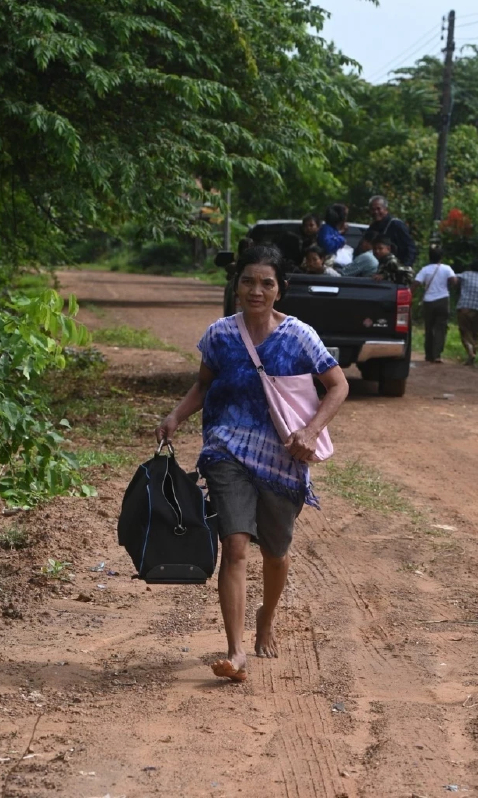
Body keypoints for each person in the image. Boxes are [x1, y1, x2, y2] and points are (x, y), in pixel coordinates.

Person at [156, 245, 349, 682]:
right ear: (236, 285)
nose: (256, 290)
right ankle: (235, 650)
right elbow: (203, 385)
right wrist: (175, 416)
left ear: (280, 289)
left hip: (283, 459)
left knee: (276, 554)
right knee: (236, 545)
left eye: (267, 283)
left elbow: (337, 387)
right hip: (225, 451)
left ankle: (267, 617)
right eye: (248, 281)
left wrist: (312, 430)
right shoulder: (220, 335)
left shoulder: (299, 336)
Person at [413, 246, 456, 363]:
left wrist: (410, 295)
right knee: (441, 328)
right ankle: (437, 355)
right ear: (441, 257)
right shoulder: (447, 269)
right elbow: (454, 281)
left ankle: (428, 355)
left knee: (429, 328)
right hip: (443, 300)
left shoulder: (425, 270)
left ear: (429, 257)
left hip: (428, 302)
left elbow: (416, 283)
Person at [366, 195, 416, 269]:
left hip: (395, 269)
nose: (376, 212)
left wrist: (405, 267)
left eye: (378, 209)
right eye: (373, 209)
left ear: (386, 209)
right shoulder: (373, 227)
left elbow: (410, 248)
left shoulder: (396, 225)